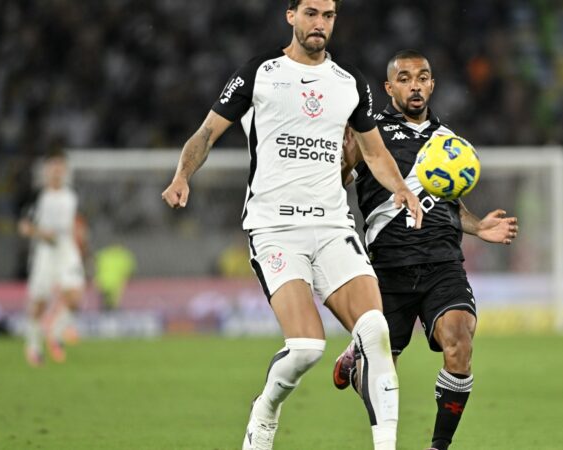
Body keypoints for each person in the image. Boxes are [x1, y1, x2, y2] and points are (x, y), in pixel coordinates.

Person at [160, 2, 423, 449]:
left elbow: (374, 152)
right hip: (275, 229)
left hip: (333, 227)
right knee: (306, 348)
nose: (320, 23)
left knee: (375, 331)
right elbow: (206, 133)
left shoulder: (349, 82)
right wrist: (183, 175)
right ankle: (264, 410)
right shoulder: (259, 72)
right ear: (291, 16)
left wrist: (401, 188)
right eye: (311, 13)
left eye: (329, 15)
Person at [332, 49, 518, 450]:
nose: (414, 85)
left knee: (460, 339)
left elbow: (448, 204)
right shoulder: (368, 132)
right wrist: (345, 161)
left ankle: (438, 446)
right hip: (388, 268)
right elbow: (338, 183)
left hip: (441, 263)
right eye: (404, 78)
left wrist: (477, 226)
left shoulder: (450, 142)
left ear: (432, 84)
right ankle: (360, 359)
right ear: (389, 87)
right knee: (381, 372)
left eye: (422, 77)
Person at [18, 151, 85, 366]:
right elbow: (24, 227)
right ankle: (33, 347)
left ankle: (55, 333)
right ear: (46, 171)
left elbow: (76, 223)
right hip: (45, 252)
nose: (57, 171)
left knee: (74, 298)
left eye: (60, 167)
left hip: (66, 249)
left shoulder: (71, 195)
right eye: (53, 167)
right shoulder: (36, 196)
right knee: (39, 303)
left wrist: (81, 241)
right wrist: (40, 233)